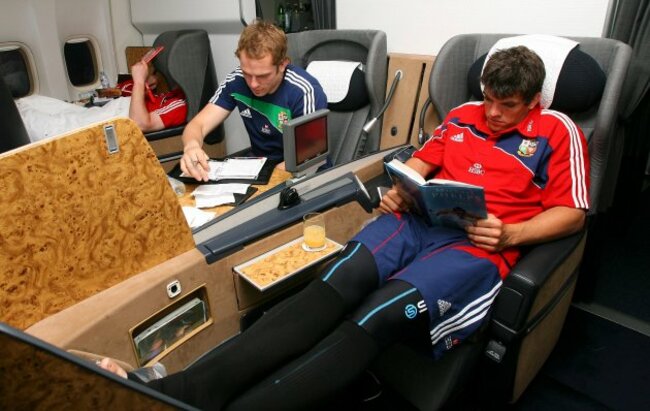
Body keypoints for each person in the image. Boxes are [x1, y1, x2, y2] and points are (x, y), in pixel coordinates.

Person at [100, 46, 589, 410]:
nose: (494, 113)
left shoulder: (557, 131)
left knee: (378, 313)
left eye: (508, 105)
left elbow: (574, 213)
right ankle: (182, 391)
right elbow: (422, 160)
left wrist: (513, 235)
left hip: (477, 248)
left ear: (534, 101)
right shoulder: (463, 116)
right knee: (332, 282)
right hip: (418, 221)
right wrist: (405, 185)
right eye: (488, 100)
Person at [180, 19, 327, 182]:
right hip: (260, 168)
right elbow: (198, 125)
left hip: (303, 174)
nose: (253, 84)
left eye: (263, 76)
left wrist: (264, 181)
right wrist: (191, 146)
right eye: (247, 73)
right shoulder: (235, 81)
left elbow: (309, 156)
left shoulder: (304, 91)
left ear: (282, 64)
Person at [15, 59, 186, 142]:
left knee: (28, 120)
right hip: (106, 110)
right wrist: (143, 83)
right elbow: (120, 90)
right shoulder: (171, 93)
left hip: (115, 121)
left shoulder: (181, 103)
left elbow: (140, 123)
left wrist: (140, 82)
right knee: (28, 102)